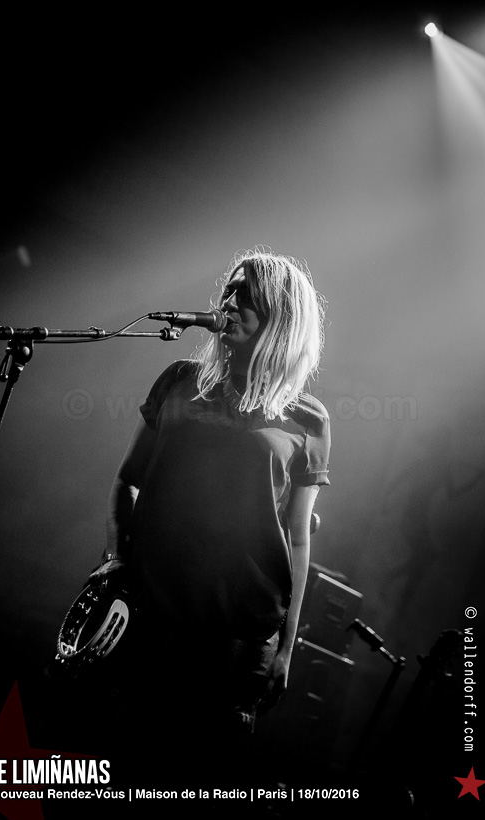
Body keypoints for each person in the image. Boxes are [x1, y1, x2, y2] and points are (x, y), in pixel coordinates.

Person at [91, 247, 331, 789]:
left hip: (237, 634)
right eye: (229, 290)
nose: (229, 302)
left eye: (246, 295)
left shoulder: (308, 420)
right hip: (148, 608)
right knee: (114, 759)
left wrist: (286, 648)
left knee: (192, 779)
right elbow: (128, 479)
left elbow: (297, 539)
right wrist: (115, 563)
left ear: (281, 316)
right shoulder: (180, 380)